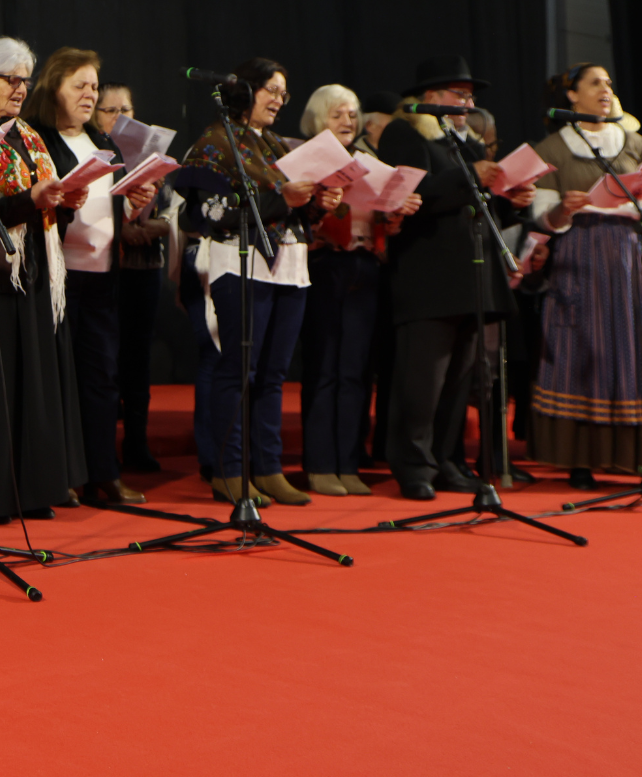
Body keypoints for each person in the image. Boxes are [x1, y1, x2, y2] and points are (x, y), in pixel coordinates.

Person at [527, 64, 642, 488]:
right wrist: (564, 209)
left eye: (608, 83)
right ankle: (582, 459)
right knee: (586, 351)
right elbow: (542, 219)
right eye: (595, 84)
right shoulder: (551, 149)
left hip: (634, 253)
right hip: (582, 255)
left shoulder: (633, 142)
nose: (606, 89)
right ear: (572, 96)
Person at [178, 59, 338, 507]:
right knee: (239, 371)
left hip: (289, 263)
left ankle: (268, 467)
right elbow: (204, 214)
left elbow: (287, 207)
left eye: (283, 93)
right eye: (271, 89)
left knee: (274, 375)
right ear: (243, 90)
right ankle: (229, 471)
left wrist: (317, 202)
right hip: (240, 262)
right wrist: (279, 199)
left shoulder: (272, 143)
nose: (278, 100)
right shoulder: (214, 141)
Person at [375, 56, 534, 501]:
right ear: (429, 97)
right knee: (422, 381)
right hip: (429, 278)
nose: (467, 103)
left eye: (470, 96)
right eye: (458, 94)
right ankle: (413, 465)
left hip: (472, 277)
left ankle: (447, 460)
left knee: (458, 380)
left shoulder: (463, 144)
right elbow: (409, 195)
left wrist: (511, 200)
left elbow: (478, 210)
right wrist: (470, 180)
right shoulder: (404, 133)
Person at [0, 36, 88, 520]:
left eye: (25, 79)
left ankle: (31, 488)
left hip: (33, 271)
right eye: (11, 79)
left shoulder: (27, 134)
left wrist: (62, 202)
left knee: (33, 379)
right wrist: (34, 200)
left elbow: (37, 204)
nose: (21, 88)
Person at [26, 48, 156, 505]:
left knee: (102, 378)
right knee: (60, 380)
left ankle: (104, 472)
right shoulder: (38, 138)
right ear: (53, 90)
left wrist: (134, 202)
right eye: (79, 86)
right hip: (57, 278)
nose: (90, 94)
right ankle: (61, 474)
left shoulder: (105, 143)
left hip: (101, 277)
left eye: (94, 87)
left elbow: (110, 204)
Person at [296, 84, 417, 497]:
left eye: (352, 114)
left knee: (355, 374)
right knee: (324, 369)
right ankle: (319, 465)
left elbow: (376, 220)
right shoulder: (306, 162)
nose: (348, 121)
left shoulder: (368, 162)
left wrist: (396, 212)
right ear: (318, 120)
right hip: (325, 265)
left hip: (365, 266)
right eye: (337, 115)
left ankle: (348, 463)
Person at [94, 82, 168, 472]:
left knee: (139, 359)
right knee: (106, 361)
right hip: (106, 270)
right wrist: (125, 228)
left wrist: (145, 229)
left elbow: (172, 213)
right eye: (111, 110)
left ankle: (137, 443)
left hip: (146, 268)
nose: (121, 117)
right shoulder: (93, 153)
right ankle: (102, 451)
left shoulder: (150, 156)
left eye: (127, 108)